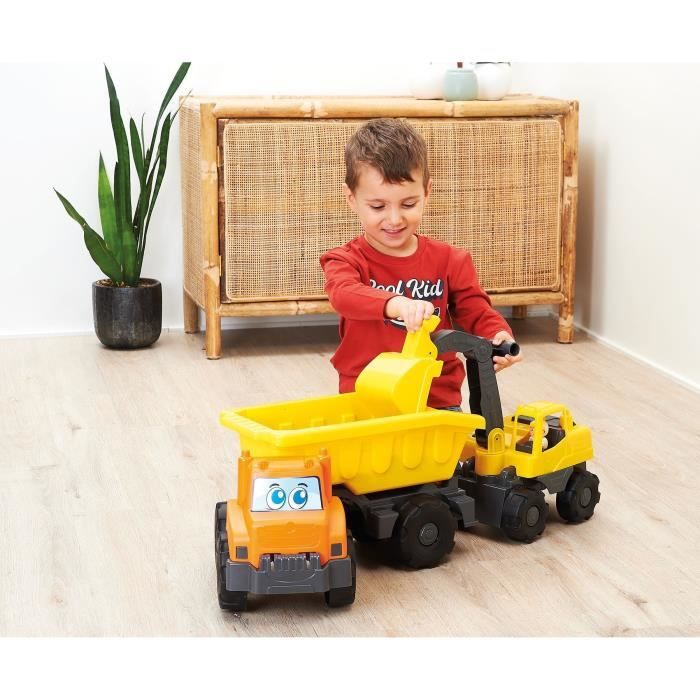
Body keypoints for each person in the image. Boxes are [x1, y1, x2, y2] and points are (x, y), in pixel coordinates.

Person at [320, 118, 522, 410]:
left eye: (408, 204)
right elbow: (343, 294)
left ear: (427, 192)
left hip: (436, 398)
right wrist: (397, 304)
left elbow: (476, 310)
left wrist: (498, 334)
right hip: (367, 396)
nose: (394, 219)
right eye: (378, 206)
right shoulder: (344, 260)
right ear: (351, 198)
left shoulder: (451, 260)